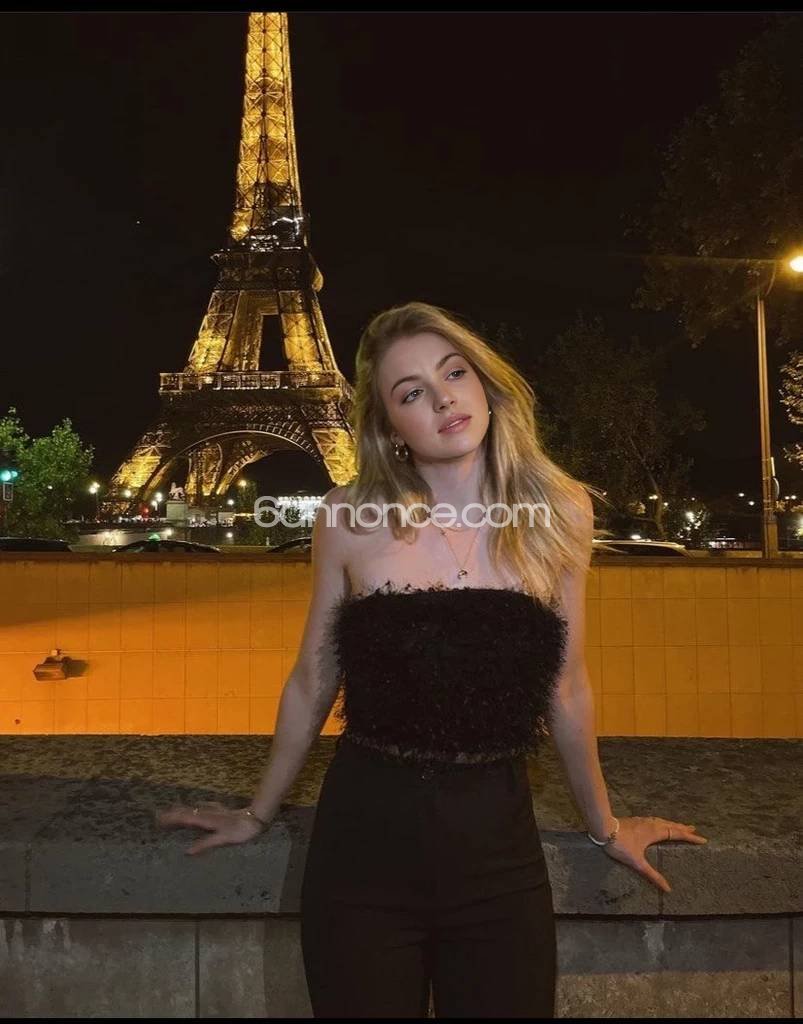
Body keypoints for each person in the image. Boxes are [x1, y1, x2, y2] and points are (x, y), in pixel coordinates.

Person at [156, 301, 708, 1018]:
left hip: (499, 861)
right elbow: (314, 678)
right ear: (389, 426)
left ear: (485, 385)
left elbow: (567, 688)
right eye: (411, 391)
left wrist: (605, 826)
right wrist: (258, 814)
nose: (444, 398)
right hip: (361, 858)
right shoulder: (345, 517)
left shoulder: (561, 512)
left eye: (454, 373)